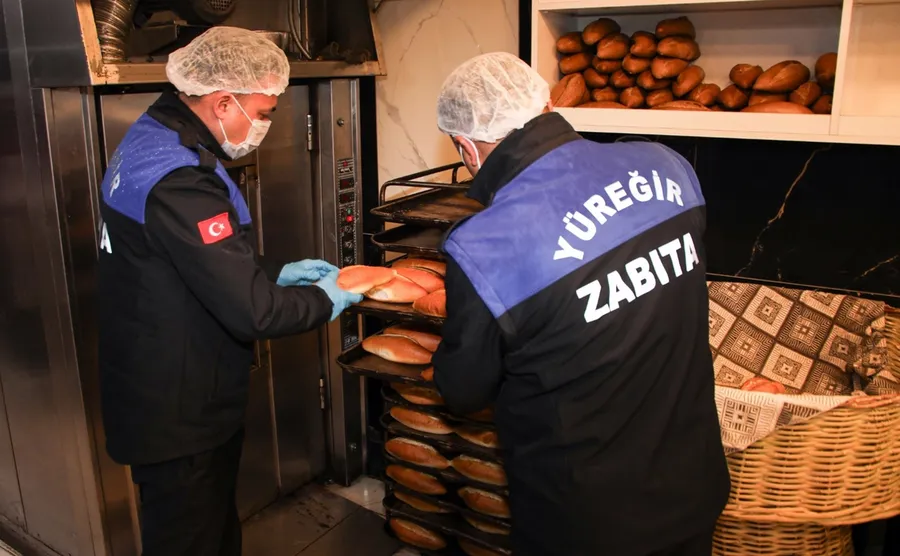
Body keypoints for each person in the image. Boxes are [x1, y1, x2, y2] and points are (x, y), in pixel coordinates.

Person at [431, 52, 730, 556]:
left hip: (585, 517)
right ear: (548, 105)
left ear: (467, 148)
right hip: (693, 484)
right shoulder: (667, 165)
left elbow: (464, 390)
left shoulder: (487, 244)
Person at [96, 27, 361, 556]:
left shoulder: (154, 134)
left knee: (210, 531)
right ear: (222, 102)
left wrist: (274, 271)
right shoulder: (181, 179)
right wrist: (328, 298)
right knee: (189, 539)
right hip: (178, 409)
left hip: (158, 377)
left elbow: (187, 258)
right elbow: (255, 313)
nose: (265, 124)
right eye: (263, 112)